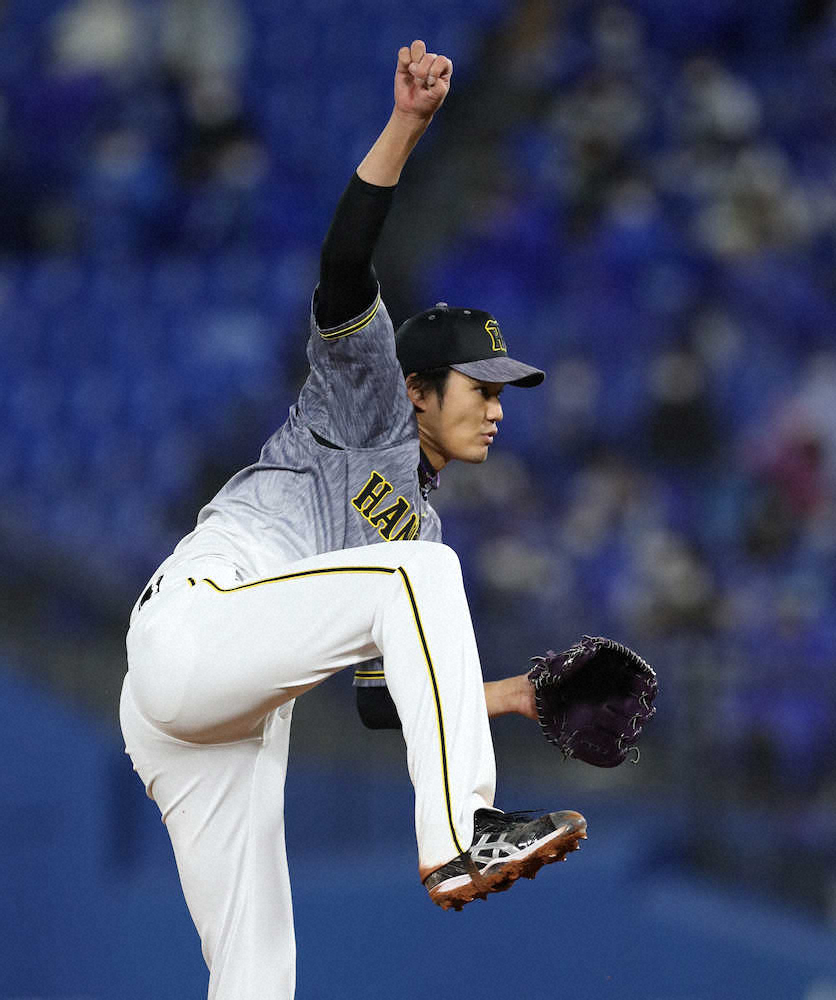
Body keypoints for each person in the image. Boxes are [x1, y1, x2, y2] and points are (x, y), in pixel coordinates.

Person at [119, 40, 587, 1000]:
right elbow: (342, 264)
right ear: (418, 388)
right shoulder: (366, 397)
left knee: (259, 975)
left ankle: (456, 830)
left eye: (504, 392)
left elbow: (382, 700)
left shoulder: (418, 534)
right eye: (480, 387)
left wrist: (513, 696)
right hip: (197, 622)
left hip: (225, 709)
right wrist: (407, 125)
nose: (496, 409)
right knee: (421, 575)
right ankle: (461, 834)